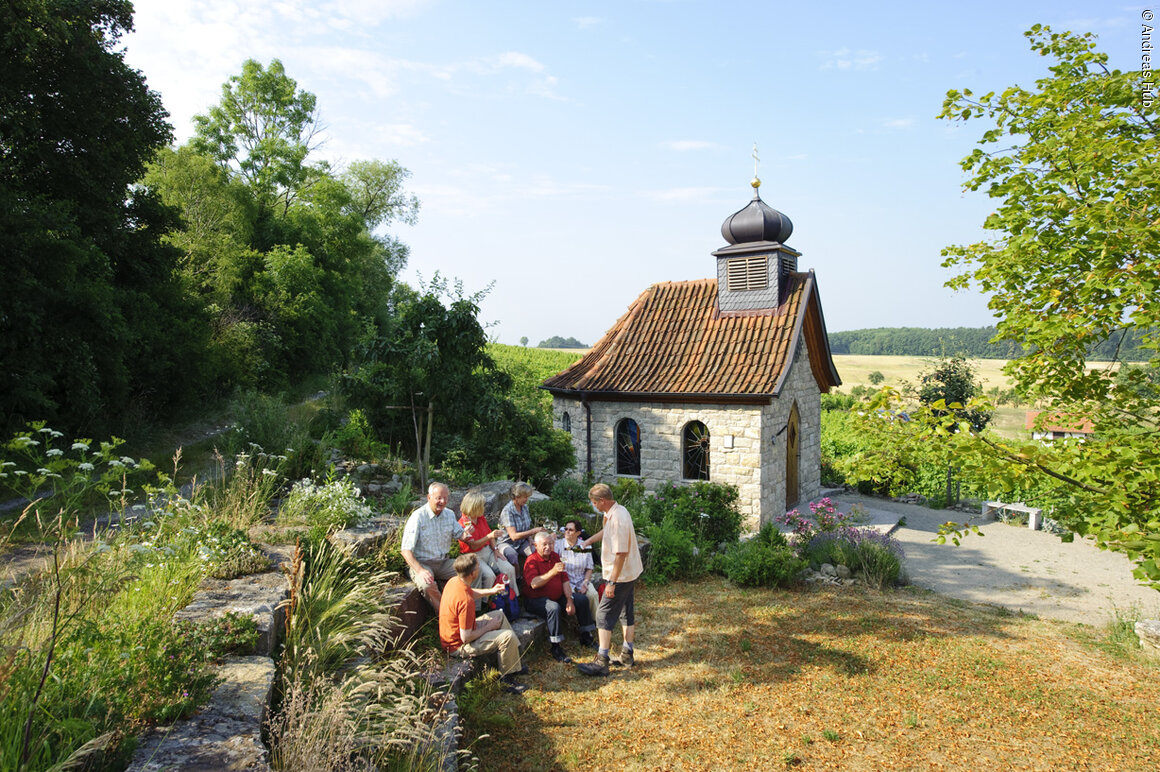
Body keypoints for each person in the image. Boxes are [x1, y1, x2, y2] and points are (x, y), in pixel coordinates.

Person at [439, 552, 529, 694]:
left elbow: (470, 592)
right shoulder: (466, 602)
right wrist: (489, 626)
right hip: (458, 646)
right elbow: (466, 638)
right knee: (507, 636)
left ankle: (514, 663)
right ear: (473, 573)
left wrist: (491, 591)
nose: (479, 568)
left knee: (499, 614)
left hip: (460, 633)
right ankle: (507, 680)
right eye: (478, 567)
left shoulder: (454, 581)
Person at [578, 483, 643, 677]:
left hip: (621, 575)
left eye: (594, 502)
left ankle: (601, 661)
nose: (593, 506)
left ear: (602, 501)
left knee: (603, 614)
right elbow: (606, 533)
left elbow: (621, 554)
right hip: (629, 571)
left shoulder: (618, 519)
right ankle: (627, 653)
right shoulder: (614, 512)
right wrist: (588, 541)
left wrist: (612, 583)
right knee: (625, 611)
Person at [400, 481, 486, 611]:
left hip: (443, 562)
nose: (442, 501)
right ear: (429, 498)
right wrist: (420, 570)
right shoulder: (418, 517)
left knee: (475, 570)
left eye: (445, 498)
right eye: (438, 498)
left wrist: (466, 535)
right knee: (427, 585)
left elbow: (460, 534)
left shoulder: (449, 514)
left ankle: (473, 610)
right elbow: (405, 550)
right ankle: (446, 615)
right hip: (423, 563)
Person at [522, 531, 596, 661]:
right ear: (535, 545)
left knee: (581, 600)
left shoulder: (555, 556)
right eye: (544, 544)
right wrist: (552, 572)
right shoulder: (531, 561)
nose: (548, 547)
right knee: (553, 607)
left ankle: (586, 635)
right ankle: (555, 647)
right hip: (535, 600)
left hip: (557, 596)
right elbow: (534, 584)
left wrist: (569, 600)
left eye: (551, 544)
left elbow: (564, 580)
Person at [458, 491, 520, 597]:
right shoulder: (463, 523)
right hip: (474, 556)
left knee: (509, 569)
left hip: (488, 551)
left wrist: (495, 549)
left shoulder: (480, 518)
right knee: (489, 576)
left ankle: (513, 597)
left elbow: (489, 533)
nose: (484, 507)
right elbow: (473, 545)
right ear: (475, 507)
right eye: (482, 505)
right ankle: (488, 603)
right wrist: (490, 536)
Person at [555, 518, 599, 623]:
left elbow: (589, 568)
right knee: (576, 598)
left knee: (593, 595)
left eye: (570, 530)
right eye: (566, 529)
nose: (567, 532)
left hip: (581, 579)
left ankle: (597, 622)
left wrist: (585, 582)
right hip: (566, 582)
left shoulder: (585, 546)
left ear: (578, 533)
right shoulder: (558, 545)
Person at [496, 482, 544, 568]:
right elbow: (513, 536)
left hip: (521, 542)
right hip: (507, 543)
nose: (527, 499)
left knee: (535, 551)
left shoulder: (524, 507)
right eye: (525, 497)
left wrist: (529, 538)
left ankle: (533, 575)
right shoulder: (507, 511)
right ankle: (518, 578)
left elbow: (526, 527)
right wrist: (533, 531)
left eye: (527, 497)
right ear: (517, 497)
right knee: (512, 555)